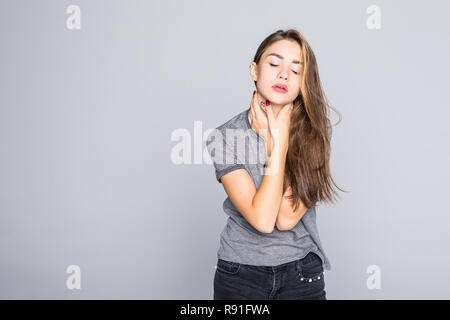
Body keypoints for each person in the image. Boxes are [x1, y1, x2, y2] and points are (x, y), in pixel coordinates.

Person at [206, 28, 344, 300]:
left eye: (296, 70)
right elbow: (263, 220)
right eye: (274, 64)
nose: (284, 74)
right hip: (239, 275)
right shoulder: (224, 137)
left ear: (304, 82)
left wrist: (274, 142)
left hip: (302, 273)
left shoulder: (318, 129)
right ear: (254, 70)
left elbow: (286, 217)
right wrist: (278, 142)